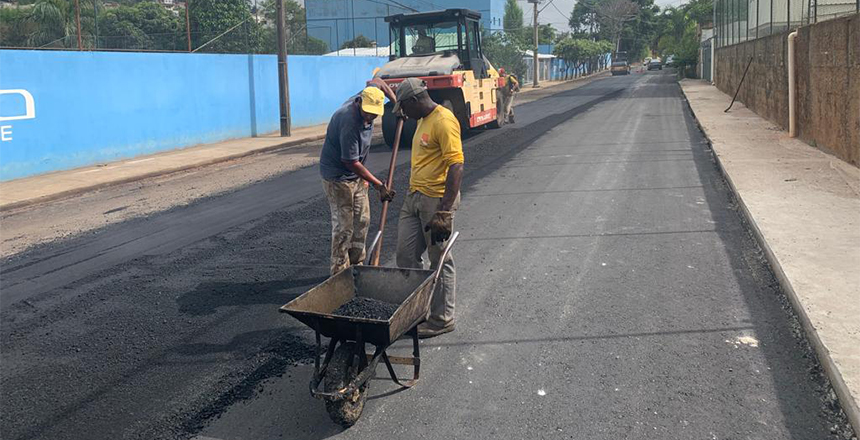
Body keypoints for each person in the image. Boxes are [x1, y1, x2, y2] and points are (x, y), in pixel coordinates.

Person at [393, 78, 464, 338]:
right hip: (414, 197)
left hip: (435, 201)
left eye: (404, 108)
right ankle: (420, 309)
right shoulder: (422, 119)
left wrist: (444, 211)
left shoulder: (443, 121)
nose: (403, 114)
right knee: (405, 255)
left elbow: (456, 165)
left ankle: (442, 318)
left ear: (415, 100)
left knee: (440, 259)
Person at [319, 79, 397, 276]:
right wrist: (379, 185)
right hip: (338, 178)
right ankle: (339, 273)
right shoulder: (349, 122)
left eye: (374, 114)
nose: (370, 117)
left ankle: (356, 265)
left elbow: (378, 81)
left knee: (362, 220)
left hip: (356, 175)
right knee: (344, 227)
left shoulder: (370, 93)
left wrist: (396, 103)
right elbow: (350, 162)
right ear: (360, 102)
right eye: (368, 112)